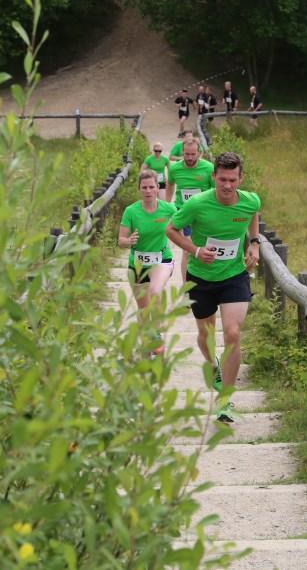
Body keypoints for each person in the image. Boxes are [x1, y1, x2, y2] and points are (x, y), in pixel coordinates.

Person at [166, 152, 261, 423]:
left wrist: (254, 244)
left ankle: (225, 400)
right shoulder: (197, 204)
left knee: (232, 332)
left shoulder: (250, 200)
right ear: (214, 178)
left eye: (232, 180)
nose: (227, 186)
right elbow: (171, 230)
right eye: (222, 180)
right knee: (206, 336)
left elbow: (254, 214)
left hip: (234, 276)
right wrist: (195, 250)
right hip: (201, 278)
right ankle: (213, 365)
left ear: (240, 178)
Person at [117, 169, 177, 353]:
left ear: (157, 188)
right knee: (143, 310)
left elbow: (181, 230)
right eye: (144, 187)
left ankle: (157, 335)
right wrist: (129, 241)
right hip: (138, 263)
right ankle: (146, 346)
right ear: (139, 189)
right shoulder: (131, 211)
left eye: (152, 187)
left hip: (162, 259)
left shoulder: (168, 209)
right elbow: (121, 241)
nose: (148, 191)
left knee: (155, 291)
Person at [166, 137, 214, 277]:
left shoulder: (209, 168)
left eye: (193, 154)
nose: (190, 157)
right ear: (182, 152)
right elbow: (170, 184)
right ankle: (186, 287)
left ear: (199, 153)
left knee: (204, 248)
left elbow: (215, 190)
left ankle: (205, 279)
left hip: (203, 215)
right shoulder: (175, 168)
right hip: (184, 214)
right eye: (187, 154)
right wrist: (168, 204)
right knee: (187, 250)